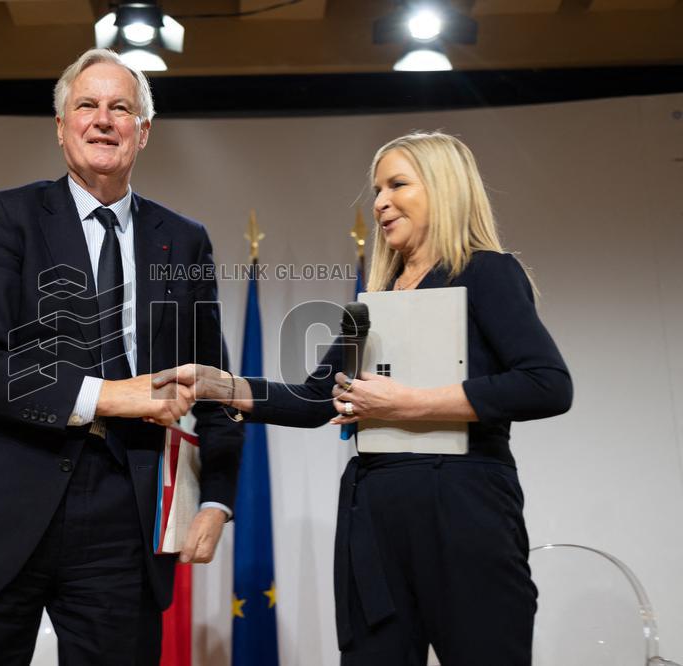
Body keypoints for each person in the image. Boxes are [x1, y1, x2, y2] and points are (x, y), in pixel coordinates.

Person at [155, 131, 573, 665]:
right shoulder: (371, 304)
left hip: (466, 515)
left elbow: (546, 383)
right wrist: (221, 385)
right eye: (377, 189)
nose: (379, 202)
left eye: (397, 184)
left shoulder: (486, 271)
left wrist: (411, 405)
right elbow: (313, 400)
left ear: (444, 189)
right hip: (371, 523)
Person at [0, 48, 243, 666]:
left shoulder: (183, 240)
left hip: (124, 518)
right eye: (86, 105)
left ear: (143, 132)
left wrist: (218, 498)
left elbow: (214, 383)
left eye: (121, 108)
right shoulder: (10, 217)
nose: (103, 119)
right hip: (0, 501)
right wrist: (108, 396)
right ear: (61, 127)